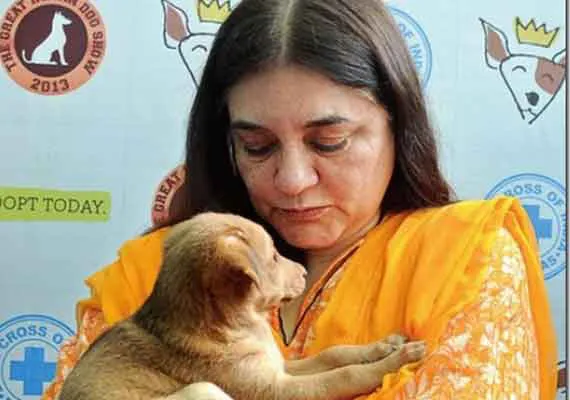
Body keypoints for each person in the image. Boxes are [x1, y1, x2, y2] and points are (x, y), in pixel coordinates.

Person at [42, 0, 558, 398]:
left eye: (329, 142)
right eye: (257, 146)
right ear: (226, 145)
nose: (291, 180)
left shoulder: (465, 256)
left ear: (396, 126)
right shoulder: (149, 273)